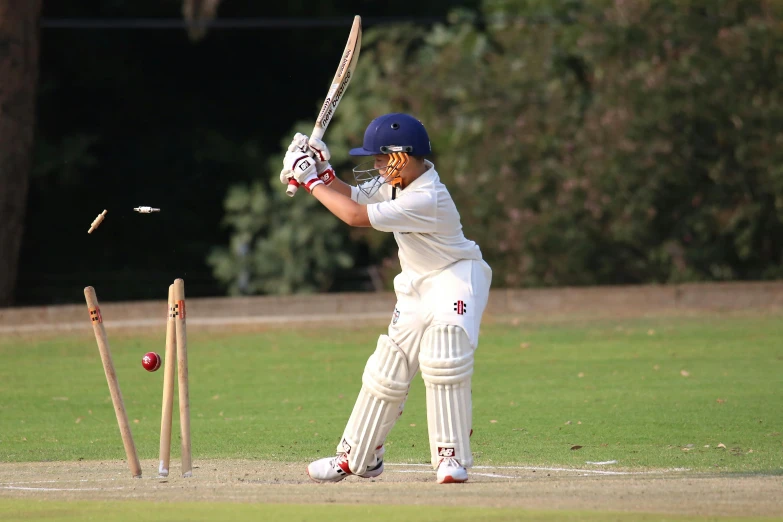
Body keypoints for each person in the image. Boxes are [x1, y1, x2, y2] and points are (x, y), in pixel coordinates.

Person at [280, 113, 492, 484]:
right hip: (415, 283)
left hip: (456, 276)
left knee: (443, 355)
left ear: (404, 156)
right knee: (387, 369)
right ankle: (357, 457)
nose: (375, 165)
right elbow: (354, 195)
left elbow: (354, 215)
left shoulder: (429, 197)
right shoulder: (397, 181)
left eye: (380, 157)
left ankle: (450, 457)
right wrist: (321, 168)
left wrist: (309, 179)